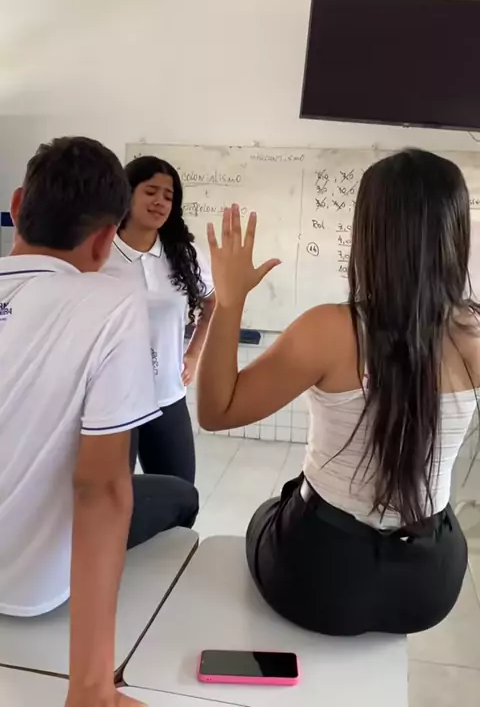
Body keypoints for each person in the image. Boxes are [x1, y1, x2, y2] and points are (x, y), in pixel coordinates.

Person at [196, 148, 478, 637]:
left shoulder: (328, 330)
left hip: (320, 577)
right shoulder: (474, 334)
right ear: (456, 235)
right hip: (430, 584)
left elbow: (216, 411)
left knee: (269, 512)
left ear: (370, 233)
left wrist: (229, 301)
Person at [0, 137, 198, 707]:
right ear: (108, 237)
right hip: (28, 587)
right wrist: (90, 687)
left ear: (18, 204)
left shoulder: (171, 260)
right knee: (178, 494)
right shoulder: (110, 302)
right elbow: (102, 489)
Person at [103, 156, 215, 484]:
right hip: (110, 400)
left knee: (180, 492)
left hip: (166, 395)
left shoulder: (184, 254)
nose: (160, 202)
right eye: (151, 191)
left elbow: (213, 303)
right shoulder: (99, 251)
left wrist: (194, 353)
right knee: (111, 496)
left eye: (168, 196)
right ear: (127, 193)